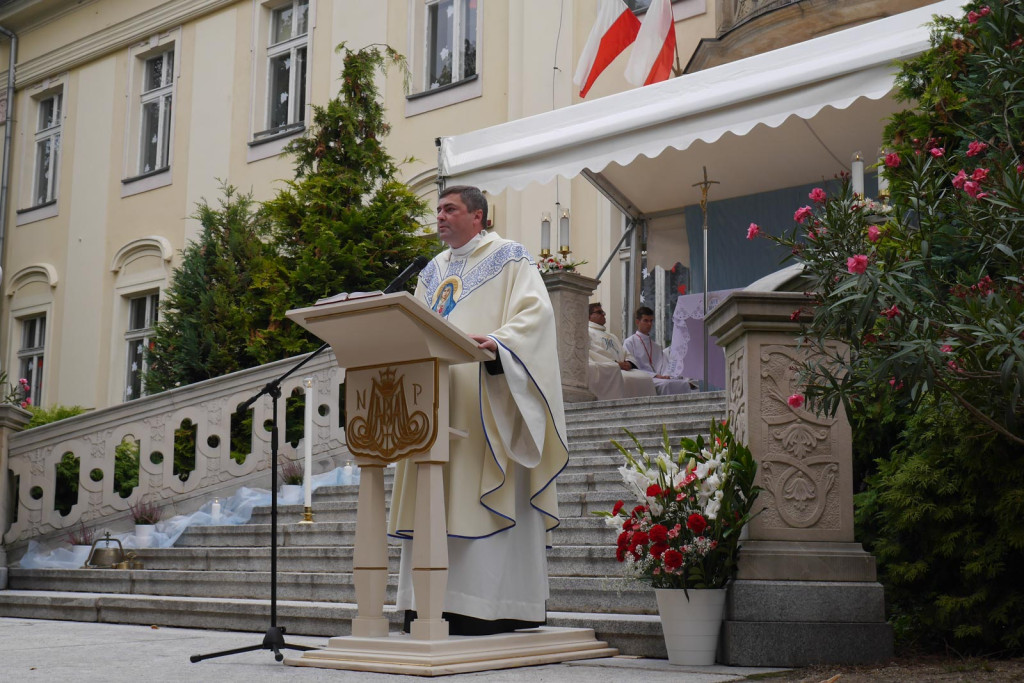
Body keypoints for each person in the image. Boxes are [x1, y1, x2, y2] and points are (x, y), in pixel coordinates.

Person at [387, 185, 568, 636]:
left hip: (487, 402)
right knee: (436, 499)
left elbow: (536, 315)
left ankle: (490, 605)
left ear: (479, 215)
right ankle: (426, 604)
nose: (440, 217)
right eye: (438, 210)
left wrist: (501, 343)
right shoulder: (430, 272)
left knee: (478, 495)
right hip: (434, 403)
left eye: (449, 209)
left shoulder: (509, 256)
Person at [587, 303, 656, 400]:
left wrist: (628, 363)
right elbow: (595, 353)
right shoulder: (587, 333)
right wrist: (616, 364)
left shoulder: (611, 336)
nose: (603, 314)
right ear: (589, 316)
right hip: (610, 370)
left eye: (603, 312)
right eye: (599, 312)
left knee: (646, 378)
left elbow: (625, 353)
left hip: (624, 369)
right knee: (626, 379)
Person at [623, 306, 698, 395]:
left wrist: (666, 376)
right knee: (667, 385)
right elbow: (632, 367)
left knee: (683, 383)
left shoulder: (656, 346)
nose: (649, 324)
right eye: (646, 320)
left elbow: (664, 365)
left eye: (651, 321)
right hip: (644, 380)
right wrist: (655, 375)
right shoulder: (629, 342)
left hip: (660, 379)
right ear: (637, 322)